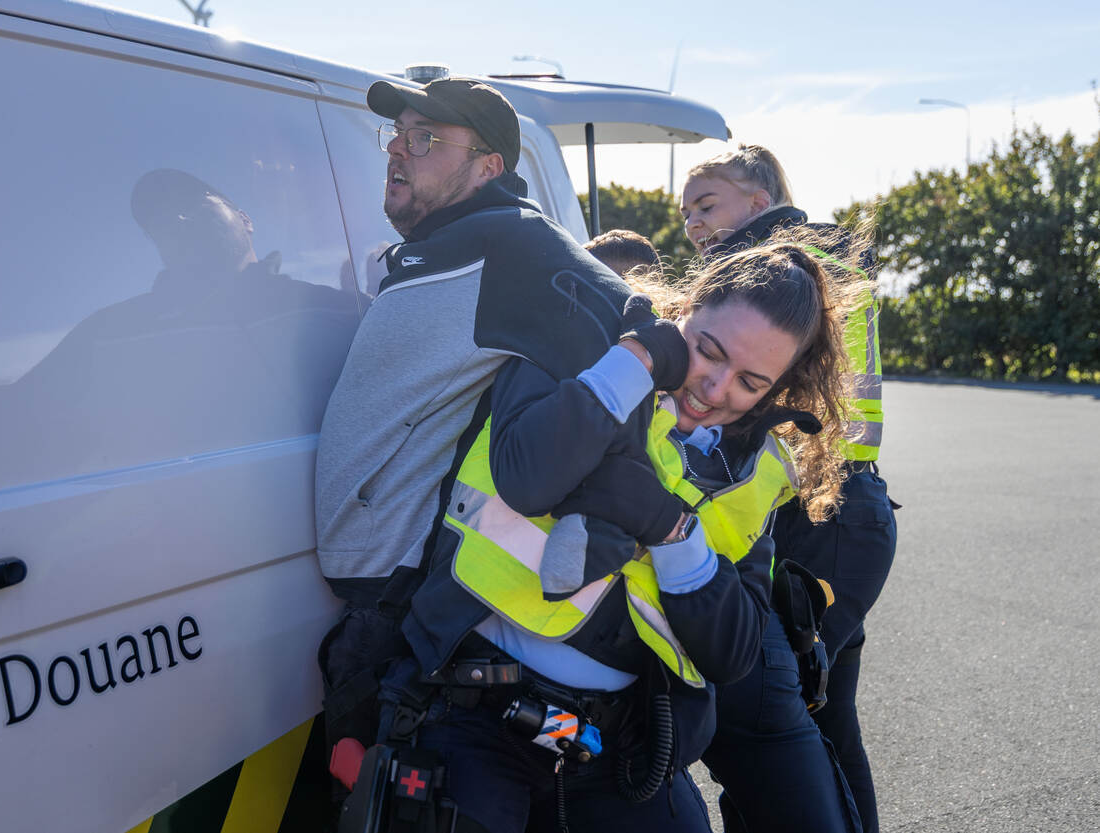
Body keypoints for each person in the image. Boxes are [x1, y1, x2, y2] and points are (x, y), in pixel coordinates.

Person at [386, 237, 866, 832]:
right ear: (683, 312)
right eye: (707, 351)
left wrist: (670, 529)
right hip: (469, 716)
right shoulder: (579, 351)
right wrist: (636, 358)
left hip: (615, 748)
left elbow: (733, 652)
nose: (715, 390)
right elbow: (528, 476)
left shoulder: (759, 476)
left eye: (750, 383)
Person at [313, 76, 640, 771]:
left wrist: (608, 514)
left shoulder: (513, 243)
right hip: (373, 596)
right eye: (397, 136)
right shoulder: (446, 242)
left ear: (488, 166)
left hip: (409, 599)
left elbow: (640, 331)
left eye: (425, 139)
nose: (399, 151)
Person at [680, 143, 897, 833]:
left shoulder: (797, 260)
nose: (693, 225)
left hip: (827, 513)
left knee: (781, 722)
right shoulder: (819, 251)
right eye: (685, 214)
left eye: (706, 204)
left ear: (759, 194)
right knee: (826, 720)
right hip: (838, 511)